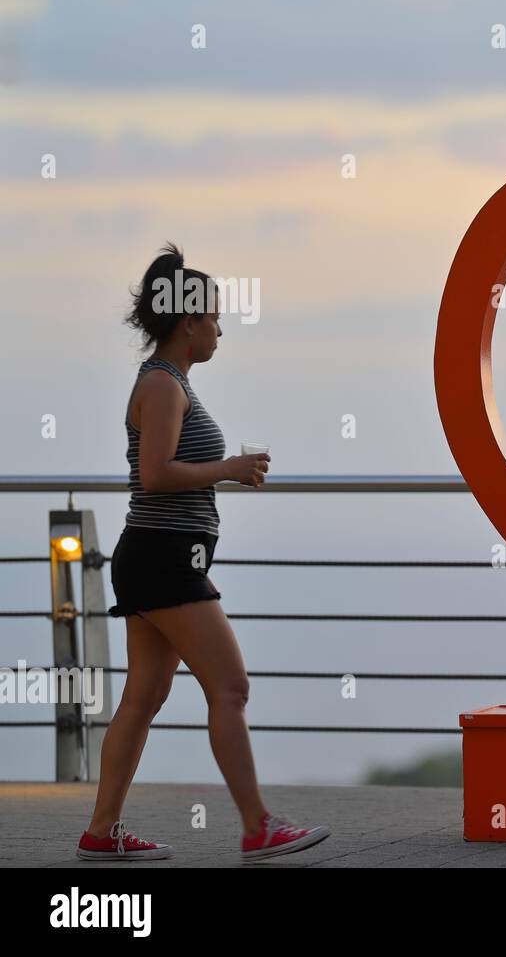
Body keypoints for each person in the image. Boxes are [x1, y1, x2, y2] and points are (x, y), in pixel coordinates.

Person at [76, 244, 330, 862]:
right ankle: (257, 826)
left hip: (157, 557)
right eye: (214, 317)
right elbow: (158, 475)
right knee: (231, 687)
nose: (220, 329)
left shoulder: (170, 382)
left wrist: (225, 474)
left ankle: (100, 834)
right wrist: (232, 468)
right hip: (165, 561)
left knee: (143, 696)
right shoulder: (163, 387)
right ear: (187, 322)